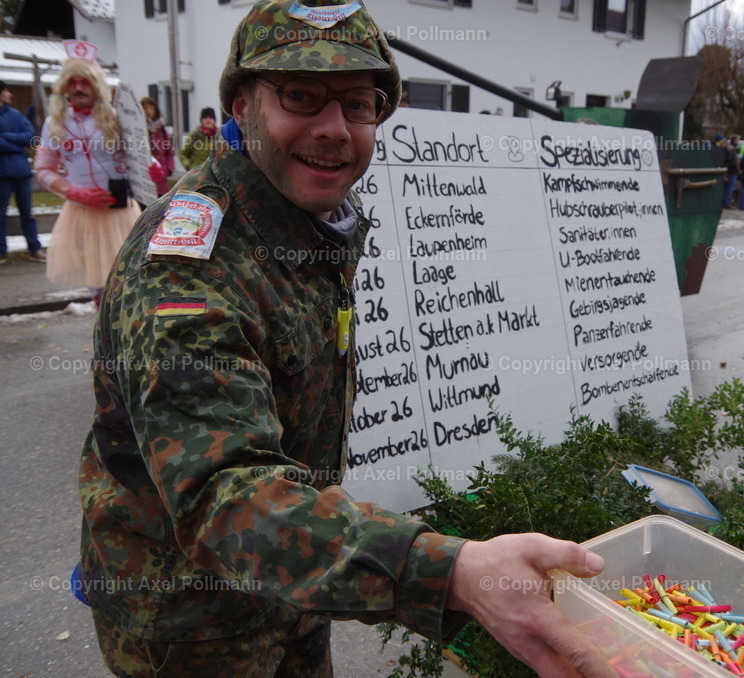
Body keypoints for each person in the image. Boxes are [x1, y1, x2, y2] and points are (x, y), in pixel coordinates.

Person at [76, 2, 617, 677]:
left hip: (296, 585)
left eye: (358, 103)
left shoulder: (303, 222)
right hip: (194, 617)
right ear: (242, 104)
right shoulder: (188, 269)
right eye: (301, 96)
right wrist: (451, 573)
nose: (333, 130)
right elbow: (226, 493)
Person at [34, 53, 153, 305]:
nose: (78, 88)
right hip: (81, 214)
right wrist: (76, 193)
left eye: (85, 82)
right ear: (65, 86)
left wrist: (153, 170)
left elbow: (139, 156)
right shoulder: (54, 123)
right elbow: (43, 169)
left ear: (96, 85)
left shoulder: (117, 116)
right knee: (97, 285)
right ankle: (104, 334)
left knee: (128, 279)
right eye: (73, 82)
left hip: (120, 212)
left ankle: (128, 333)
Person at [0, 79, 44, 264]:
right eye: (7, 91)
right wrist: (16, 145)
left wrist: (5, 136)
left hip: (21, 172)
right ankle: (1, 252)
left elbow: (30, 137)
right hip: (2, 174)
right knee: (0, 214)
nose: (10, 94)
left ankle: (34, 249)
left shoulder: (16, 115)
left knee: (27, 213)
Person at [140, 96, 175, 196]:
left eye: (151, 108)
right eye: (145, 108)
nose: (148, 111)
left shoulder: (162, 130)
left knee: (161, 207)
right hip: (144, 176)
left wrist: (168, 169)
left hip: (161, 175)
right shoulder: (138, 129)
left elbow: (169, 152)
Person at [178, 106, 219, 170]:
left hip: (215, 174)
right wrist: (190, 167)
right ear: (201, 120)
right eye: (205, 118)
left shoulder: (220, 135)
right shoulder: (195, 135)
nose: (208, 120)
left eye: (211, 117)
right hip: (197, 174)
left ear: (214, 120)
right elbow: (183, 154)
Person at [716, 133, 739, 209]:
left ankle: (726, 202)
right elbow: (728, 162)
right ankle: (726, 203)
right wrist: (725, 174)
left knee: (728, 188)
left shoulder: (731, 149)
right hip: (731, 172)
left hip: (732, 171)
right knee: (728, 189)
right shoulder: (730, 149)